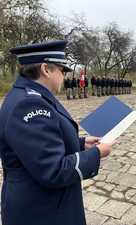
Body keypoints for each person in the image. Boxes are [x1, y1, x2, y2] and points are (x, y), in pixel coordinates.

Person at [0, 40, 115, 225]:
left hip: (42, 203)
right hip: (41, 211)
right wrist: (96, 153)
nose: (64, 75)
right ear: (46, 69)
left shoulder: (30, 95)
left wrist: (81, 144)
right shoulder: (29, 104)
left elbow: (40, 144)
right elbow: (53, 170)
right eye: (62, 70)